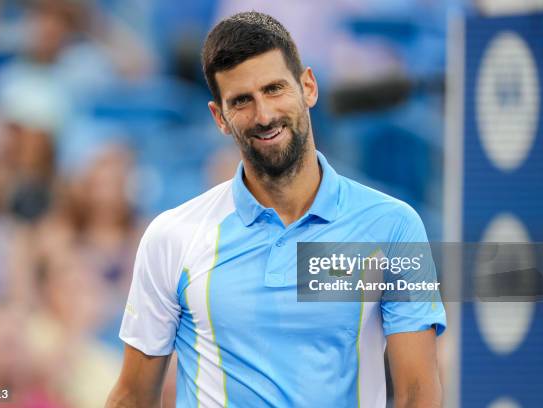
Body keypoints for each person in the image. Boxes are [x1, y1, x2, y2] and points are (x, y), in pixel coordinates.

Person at [106, 11, 446, 408]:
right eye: (242, 101)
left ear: (308, 87)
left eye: (274, 89)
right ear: (220, 118)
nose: (263, 115)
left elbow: (418, 394)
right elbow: (131, 396)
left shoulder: (396, 227)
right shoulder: (171, 236)